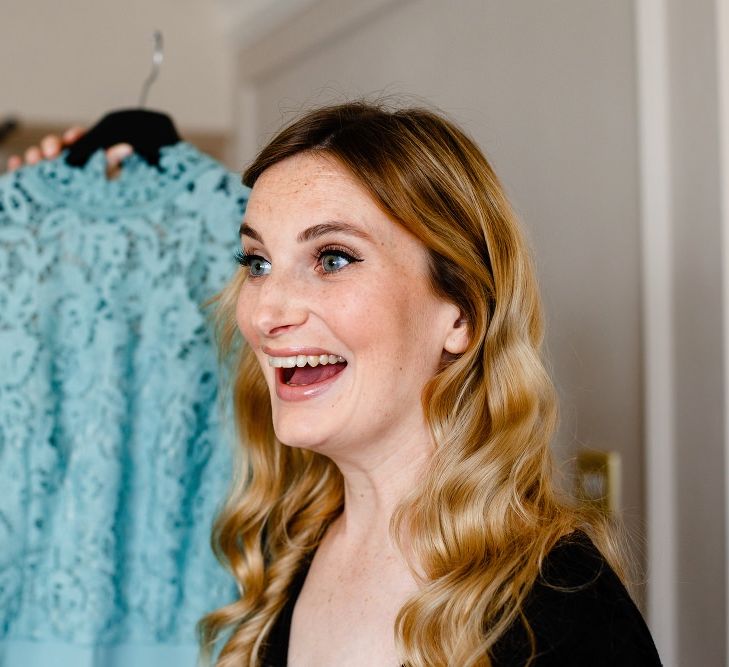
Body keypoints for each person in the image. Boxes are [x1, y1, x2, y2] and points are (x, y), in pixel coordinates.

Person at [14, 102, 661, 666]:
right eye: (257, 262)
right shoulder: (278, 557)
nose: (265, 312)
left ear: (459, 313)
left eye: (331, 258)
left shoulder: (561, 605)